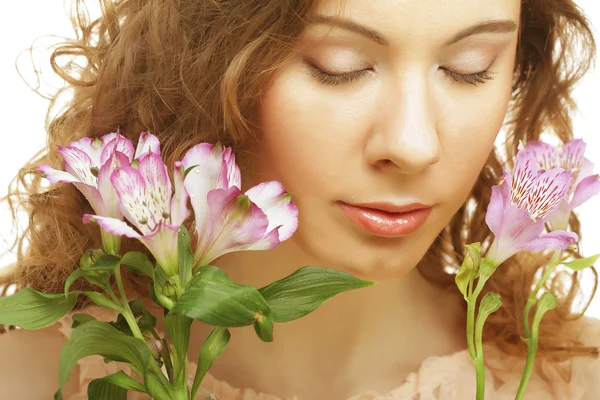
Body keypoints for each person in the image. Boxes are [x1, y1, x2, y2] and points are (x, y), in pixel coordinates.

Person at [0, 0, 599, 398]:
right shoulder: (38, 379)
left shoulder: (573, 378)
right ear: (215, 66)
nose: (413, 145)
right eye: (339, 66)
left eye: (470, 68)